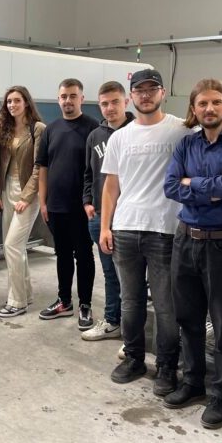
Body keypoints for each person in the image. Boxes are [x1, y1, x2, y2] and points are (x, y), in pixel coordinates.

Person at [163, 78, 222, 429]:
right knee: (188, 319)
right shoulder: (187, 144)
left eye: (216, 102)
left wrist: (193, 184)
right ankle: (193, 382)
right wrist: (214, 188)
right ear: (194, 109)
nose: (209, 109)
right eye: (202, 103)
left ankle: (221, 395)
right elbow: (171, 186)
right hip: (185, 240)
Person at [100, 68, 189, 395]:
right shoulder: (119, 137)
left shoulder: (181, 129)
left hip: (165, 230)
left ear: (162, 93)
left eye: (152, 89)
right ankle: (134, 358)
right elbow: (111, 186)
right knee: (131, 301)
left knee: (166, 305)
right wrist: (105, 226)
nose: (146, 95)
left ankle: (167, 366)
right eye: (140, 90)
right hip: (125, 229)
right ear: (131, 96)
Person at [36, 78, 98, 329]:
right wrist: (43, 202)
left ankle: (85, 305)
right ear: (58, 99)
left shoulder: (93, 128)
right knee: (62, 254)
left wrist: (92, 202)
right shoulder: (50, 130)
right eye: (64, 96)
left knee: (84, 255)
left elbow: (98, 170)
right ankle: (64, 301)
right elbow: (43, 168)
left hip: (83, 207)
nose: (68, 101)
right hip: (56, 206)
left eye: (73, 96)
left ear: (81, 98)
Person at [82, 81, 134, 341]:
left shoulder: (137, 131)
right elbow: (88, 173)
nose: (110, 108)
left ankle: (133, 329)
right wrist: (87, 201)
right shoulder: (95, 136)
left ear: (126, 102)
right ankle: (113, 321)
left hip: (131, 217)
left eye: (115, 102)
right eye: (104, 104)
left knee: (133, 278)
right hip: (101, 216)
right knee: (111, 273)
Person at [0, 86, 45, 318]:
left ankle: (17, 302)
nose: (12, 105)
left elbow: (39, 167)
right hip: (7, 190)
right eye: (9, 102)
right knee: (16, 247)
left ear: (26, 102)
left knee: (12, 245)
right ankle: (25, 293)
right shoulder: (5, 130)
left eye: (16, 100)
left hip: (28, 193)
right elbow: (0, 165)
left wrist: (26, 197)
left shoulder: (38, 129)